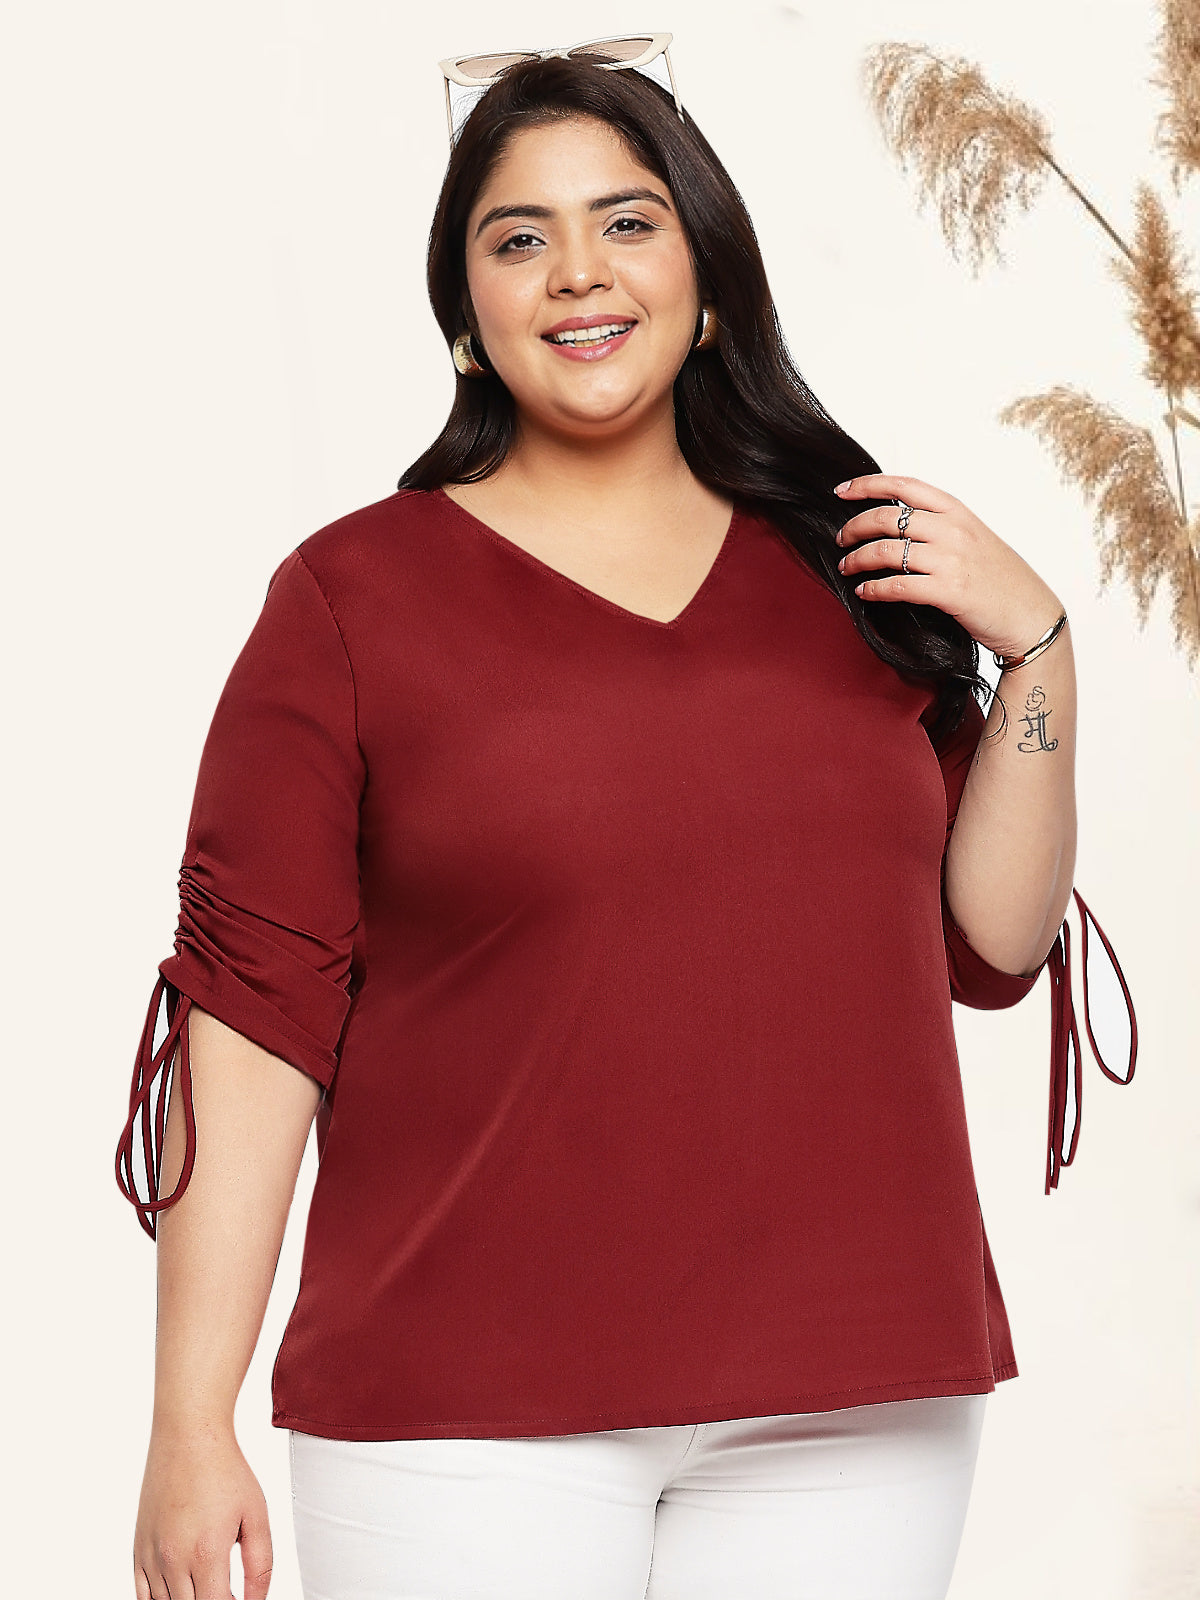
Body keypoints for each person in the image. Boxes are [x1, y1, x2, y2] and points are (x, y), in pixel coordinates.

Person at [115, 36, 1137, 1600]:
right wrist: (191, 1422)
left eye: (628, 221)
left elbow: (994, 945)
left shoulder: (851, 571)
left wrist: (1041, 651)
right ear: (465, 316)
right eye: (518, 238)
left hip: (857, 1394)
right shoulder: (348, 602)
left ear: (706, 277)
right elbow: (252, 1023)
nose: (578, 271)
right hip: (457, 1412)